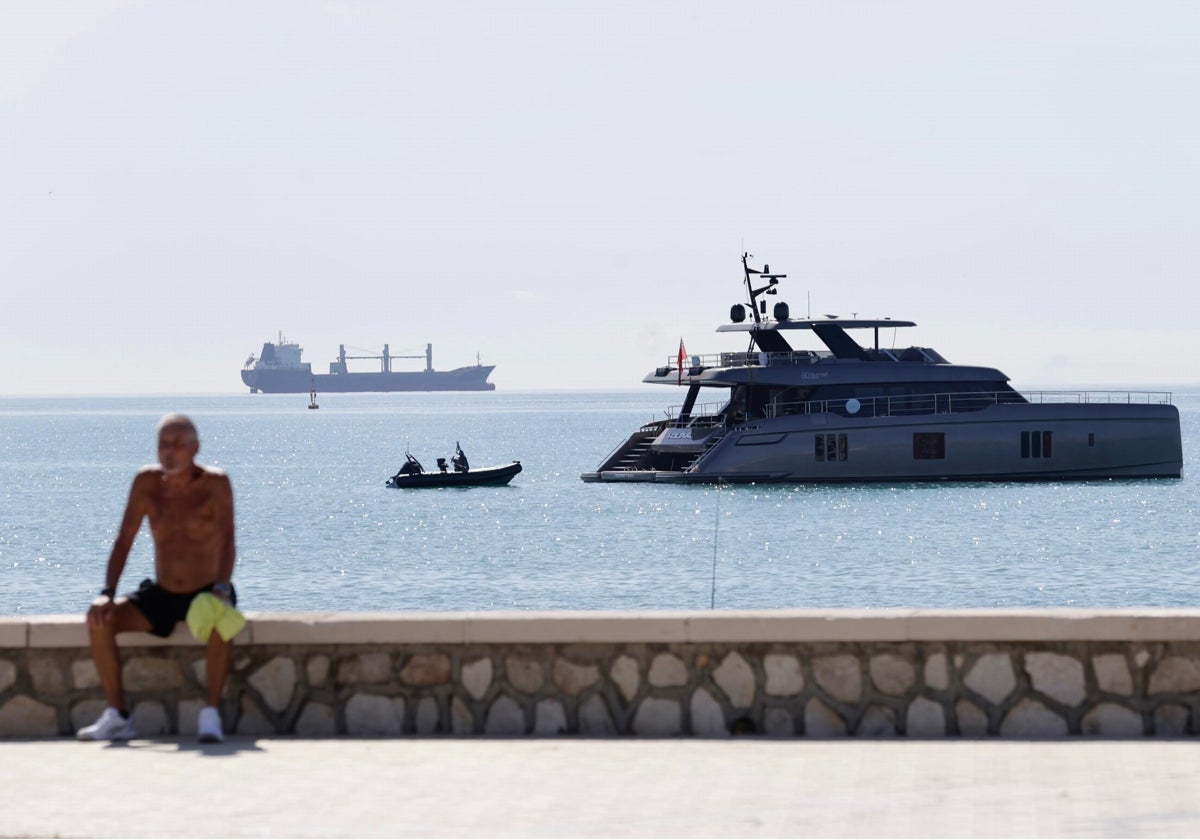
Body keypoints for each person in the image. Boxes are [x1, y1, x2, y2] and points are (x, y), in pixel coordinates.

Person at [77, 414, 238, 743]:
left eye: (178, 445)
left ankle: (210, 714)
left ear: (195, 448)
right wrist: (107, 593)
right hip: (163, 593)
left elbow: (228, 540)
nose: (169, 452)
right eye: (163, 445)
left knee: (223, 622)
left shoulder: (215, 483)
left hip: (209, 590)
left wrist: (222, 587)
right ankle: (119, 716)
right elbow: (124, 540)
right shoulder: (146, 483)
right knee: (100, 620)